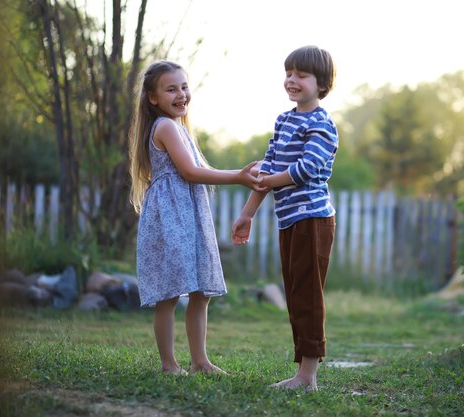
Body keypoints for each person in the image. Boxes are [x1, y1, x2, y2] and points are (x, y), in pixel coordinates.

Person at [129, 60, 263, 375]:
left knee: (201, 292)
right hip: (171, 220)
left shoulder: (179, 127)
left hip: (189, 218)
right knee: (170, 292)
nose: (181, 94)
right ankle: (168, 363)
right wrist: (238, 176)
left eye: (184, 87)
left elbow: (192, 173)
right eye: (171, 89)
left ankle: (200, 361)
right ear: (153, 98)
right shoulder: (164, 126)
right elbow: (190, 173)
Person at [231, 45, 338, 392]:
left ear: (321, 84)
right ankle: (302, 374)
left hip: (313, 219)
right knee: (294, 293)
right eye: (289, 73)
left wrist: (270, 178)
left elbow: (305, 170)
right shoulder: (284, 120)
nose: (292, 80)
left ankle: (307, 377)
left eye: (301, 75)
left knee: (307, 294)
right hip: (289, 220)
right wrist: (247, 213)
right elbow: (268, 167)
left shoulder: (323, 124)